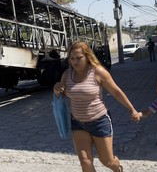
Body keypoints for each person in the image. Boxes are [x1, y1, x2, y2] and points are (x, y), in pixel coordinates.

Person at [54, 41, 140, 172]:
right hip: (78, 123)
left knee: (107, 161)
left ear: (87, 57)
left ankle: (118, 168)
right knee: (85, 162)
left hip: (99, 121)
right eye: (72, 58)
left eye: (79, 58)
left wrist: (132, 109)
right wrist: (57, 89)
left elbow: (116, 92)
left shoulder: (98, 72)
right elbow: (64, 93)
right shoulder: (67, 74)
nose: (75, 62)